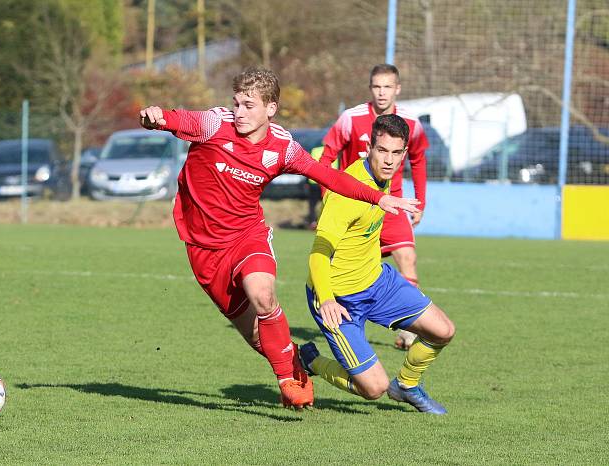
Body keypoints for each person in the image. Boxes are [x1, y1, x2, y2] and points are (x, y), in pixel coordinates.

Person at [138, 68, 419, 409]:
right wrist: (156, 118)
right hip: (203, 248)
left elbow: (329, 176)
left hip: (247, 235)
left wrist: (379, 197)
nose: (239, 112)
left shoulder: (283, 148)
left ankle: (287, 377)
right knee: (258, 337)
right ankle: (295, 361)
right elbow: (178, 118)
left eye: (249, 106)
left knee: (263, 295)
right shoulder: (215, 124)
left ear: (270, 108)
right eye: (237, 103)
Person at [299, 114, 455, 414]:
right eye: (382, 150)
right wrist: (327, 299)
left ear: (404, 154)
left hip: (377, 282)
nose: (388, 160)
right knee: (373, 389)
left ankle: (407, 385)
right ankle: (309, 360)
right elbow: (319, 252)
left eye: (396, 153)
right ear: (368, 147)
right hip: (338, 298)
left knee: (443, 330)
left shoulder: (385, 182)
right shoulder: (347, 191)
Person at [319, 64, 427, 350]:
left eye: (387, 87)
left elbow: (419, 160)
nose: (382, 92)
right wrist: (327, 193)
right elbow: (326, 158)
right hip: (355, 207)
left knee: (407, 257)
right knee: (346, 269)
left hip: (393, 204)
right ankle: (347, 320)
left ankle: (409, 329)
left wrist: (420, 202)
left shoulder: (410, 123)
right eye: (377, 86)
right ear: (370, 88)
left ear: (397, 89)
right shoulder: (350, 119)